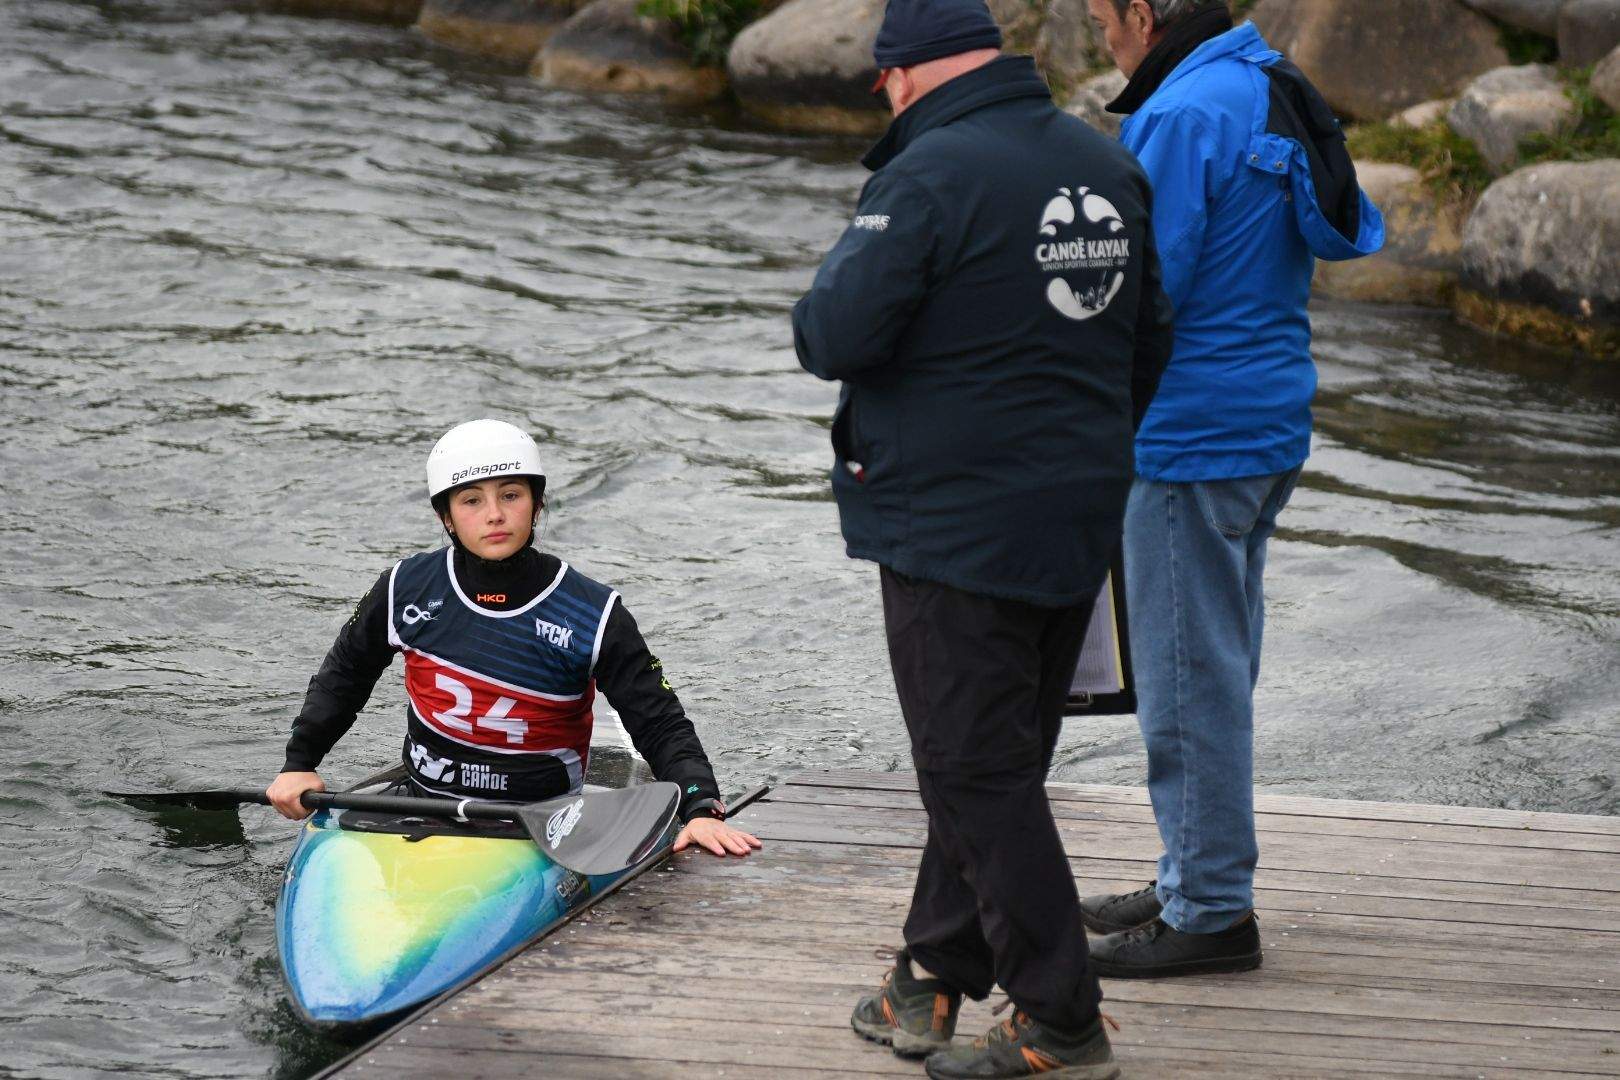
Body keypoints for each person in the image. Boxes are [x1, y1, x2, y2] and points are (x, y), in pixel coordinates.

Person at [793, 0, 1174, 1073]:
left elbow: (833, 334)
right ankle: (932, 975)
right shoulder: (1107, 166)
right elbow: (1152, 341)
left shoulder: (927, 176)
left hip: (951, 527)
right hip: (1077, 517)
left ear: (903, 75)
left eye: (884, 83)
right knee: (995, 761)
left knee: (971, 769)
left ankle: (1060, 1015)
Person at [1079, 0, 1383, 976]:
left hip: (1188, 443)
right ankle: (1188, 874)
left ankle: (1209, 909)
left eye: (1103, 19)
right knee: (1213, 662)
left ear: (1144, 11)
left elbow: (1137, 288)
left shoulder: (1179, 112)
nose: (1103, 40)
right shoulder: (1266, 82)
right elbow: (1342, 229)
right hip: (1269, 423)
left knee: (1184, 676)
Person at [264, 418, 761, 860]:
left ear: (537, 504)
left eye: (510, 495)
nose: (494, 514)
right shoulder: (404, 588)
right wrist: (299, 763)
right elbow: (342, 679)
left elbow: (658, 720)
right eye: (472, 500)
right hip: (417, 801)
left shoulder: (593, 611)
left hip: (541, 822)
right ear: (447, 518)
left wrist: (700, 807)